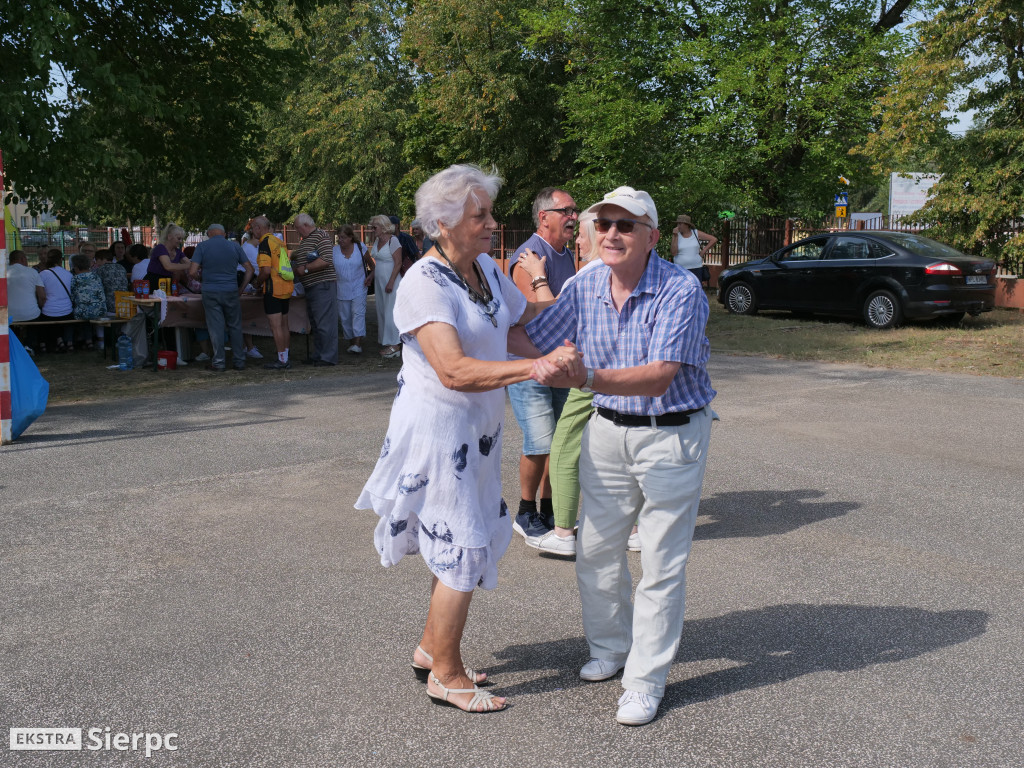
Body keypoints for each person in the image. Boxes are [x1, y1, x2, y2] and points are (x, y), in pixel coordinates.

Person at [355, 164, 575, 714]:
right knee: (461, 545)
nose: (493, 224)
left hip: (476, 434)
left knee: (460, 538)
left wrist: (586, 302)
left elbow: (520, 329)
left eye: (489, 213)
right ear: (443, 223)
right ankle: (447, 676)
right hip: (438, 433)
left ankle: (433, 650)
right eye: (480, 216)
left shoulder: (485, 270)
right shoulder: (422, 283)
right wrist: (536, 370)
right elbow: (452, 369)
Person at [527, 186, 716, 726]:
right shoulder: (586, 283)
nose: (611, 233)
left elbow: (659, 377)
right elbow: (536, 338)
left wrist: (583, 375)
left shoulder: (681, 289)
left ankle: (645, 680)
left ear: (653, 237)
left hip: (671, 433)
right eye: (603, 223)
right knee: (596, 548)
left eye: (625, 225)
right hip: (606, 429)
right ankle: (611, 648)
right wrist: (466, 321)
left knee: (660, 561)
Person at [506, 186, 579, 540]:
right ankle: (524, 512)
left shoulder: (563, 254)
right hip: (529, 365)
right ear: (544, 216)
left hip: (559, 366)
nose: (573, 217)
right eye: (566, 211)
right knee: (539, 441)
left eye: (575, 211)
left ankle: (548, 510)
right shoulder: (528, 258)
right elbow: (535, 319)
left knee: (560, 441)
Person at [188, 223, 254, 371]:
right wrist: (241, 289)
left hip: (210, 291)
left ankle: (218, 362)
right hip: (231, 290)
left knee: (216, 327)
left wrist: (202, 280)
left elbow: (192, 272)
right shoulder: (235, 246)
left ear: (209, 233)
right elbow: (250, 269)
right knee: (235, 326)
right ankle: (239, 361)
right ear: (224, 234)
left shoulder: (202, 246)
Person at [292, 213, 339, 366]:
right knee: (317, 324)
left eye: (298, 228)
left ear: (305, 225)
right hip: (312, 286)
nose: (297, 231)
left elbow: (325, 260)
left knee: (325, 323)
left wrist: (304, 269)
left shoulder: (321, 236)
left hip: (322, 285)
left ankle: (328, 357)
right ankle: (319, 354)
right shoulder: (306, 240)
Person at [251, 215, 294, 369]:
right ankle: (286, 356)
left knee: (276, 326)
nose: (251, 231)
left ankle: (282, 360)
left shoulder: (264, 243)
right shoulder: (278, 241)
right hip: (286, 287)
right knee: (284, 324)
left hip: (273, 289)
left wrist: (257, 283)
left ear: (259, 228)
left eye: (252, 228)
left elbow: (266, 270)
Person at [333, 224, 372, 355]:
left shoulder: (360, 248)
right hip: (341, 288)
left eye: (343, 237)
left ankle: (357, 344)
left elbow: (372, 265)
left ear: (350, 237)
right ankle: (351, 342)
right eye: (339, 237)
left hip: (359, 286)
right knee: (345, 317)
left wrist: (370, 277)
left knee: (358, 314)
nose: (340, 240)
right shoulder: (334, 251)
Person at [367, 214, 403, 358]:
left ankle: (395, 345)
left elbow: (398, 263)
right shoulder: (377, 241)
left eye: (374, 227)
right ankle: (387, 341)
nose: (372, 229)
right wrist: (371, 275)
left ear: (382, 227)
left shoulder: (393, 241)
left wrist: (391, 282)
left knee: (391, 312)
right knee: (382, 311)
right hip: (380, 281)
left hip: (391, 281)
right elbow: (379, 263)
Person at [6, 250, 45, 353]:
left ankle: (13, 346)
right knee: (35, 317)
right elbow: (42, 296)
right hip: (30, 314)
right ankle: (29, 345)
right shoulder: (32, 272)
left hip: (7, 314)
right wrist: (41, 306)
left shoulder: (2, 271)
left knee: (11, 324)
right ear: (22, 259)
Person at [38, 249, 75, 352]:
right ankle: (69, 342)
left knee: (45, 316)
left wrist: (41, 306)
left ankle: (51, 343)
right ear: (61, 260)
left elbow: (42, 297)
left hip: (49, 311)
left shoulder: (43, 274)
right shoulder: (69, 274)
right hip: (67, 310)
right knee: (63, 317)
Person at [670, 214, 717, 283]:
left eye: (680, 224)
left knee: (696, 291)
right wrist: (675, 236)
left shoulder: (696, 233)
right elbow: (673, 253)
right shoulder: (676, 235)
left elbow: (714, 239)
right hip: (680, 269)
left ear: (686, 224)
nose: (678, 226)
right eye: (677, 224)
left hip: (696, 268)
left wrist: (703, 251)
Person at [146, 223, 191, 291]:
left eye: (182, 239)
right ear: (169, 236)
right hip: (153, 283)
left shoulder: (178, 251)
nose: (181, 241)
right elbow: (168, 266)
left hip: (167, 284)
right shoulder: (160, 248)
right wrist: (188, 266)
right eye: (179, 238)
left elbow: (189, 263)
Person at [239, 232, 262, 360]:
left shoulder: (252, 248)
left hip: (247, 286)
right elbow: (258, 269)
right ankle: (249, 347)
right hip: (245, 287)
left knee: (244, 318)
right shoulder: (249, 249)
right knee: (245, 318)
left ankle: (246, 346)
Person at [92, 248, 129, 313]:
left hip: (108, 305)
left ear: (101, 259)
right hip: (124, 303)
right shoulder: (121, 267)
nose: (96, 262)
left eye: (96, 260)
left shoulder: (100, 270)